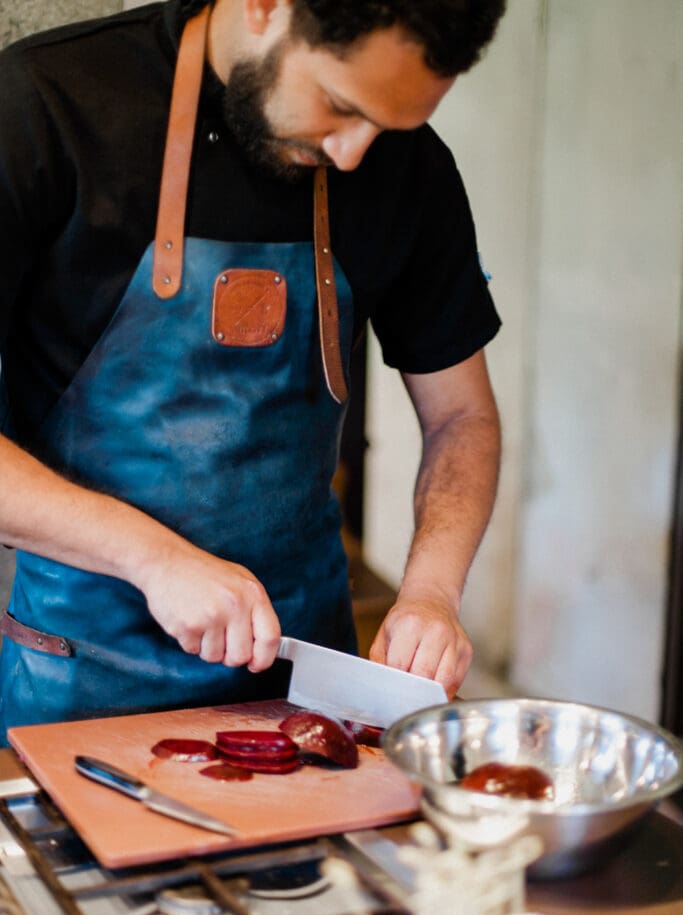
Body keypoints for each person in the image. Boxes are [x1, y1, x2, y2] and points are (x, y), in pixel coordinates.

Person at [0, 0, 505, 739]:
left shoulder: (407, 165)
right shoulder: (46, 106)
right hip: (80, 681)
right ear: (263, 7)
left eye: (386, 126)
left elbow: (463, 416)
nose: (354, 153)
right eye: (338, 106)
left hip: (307, 691)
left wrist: (430, 592)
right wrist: (152, 558)